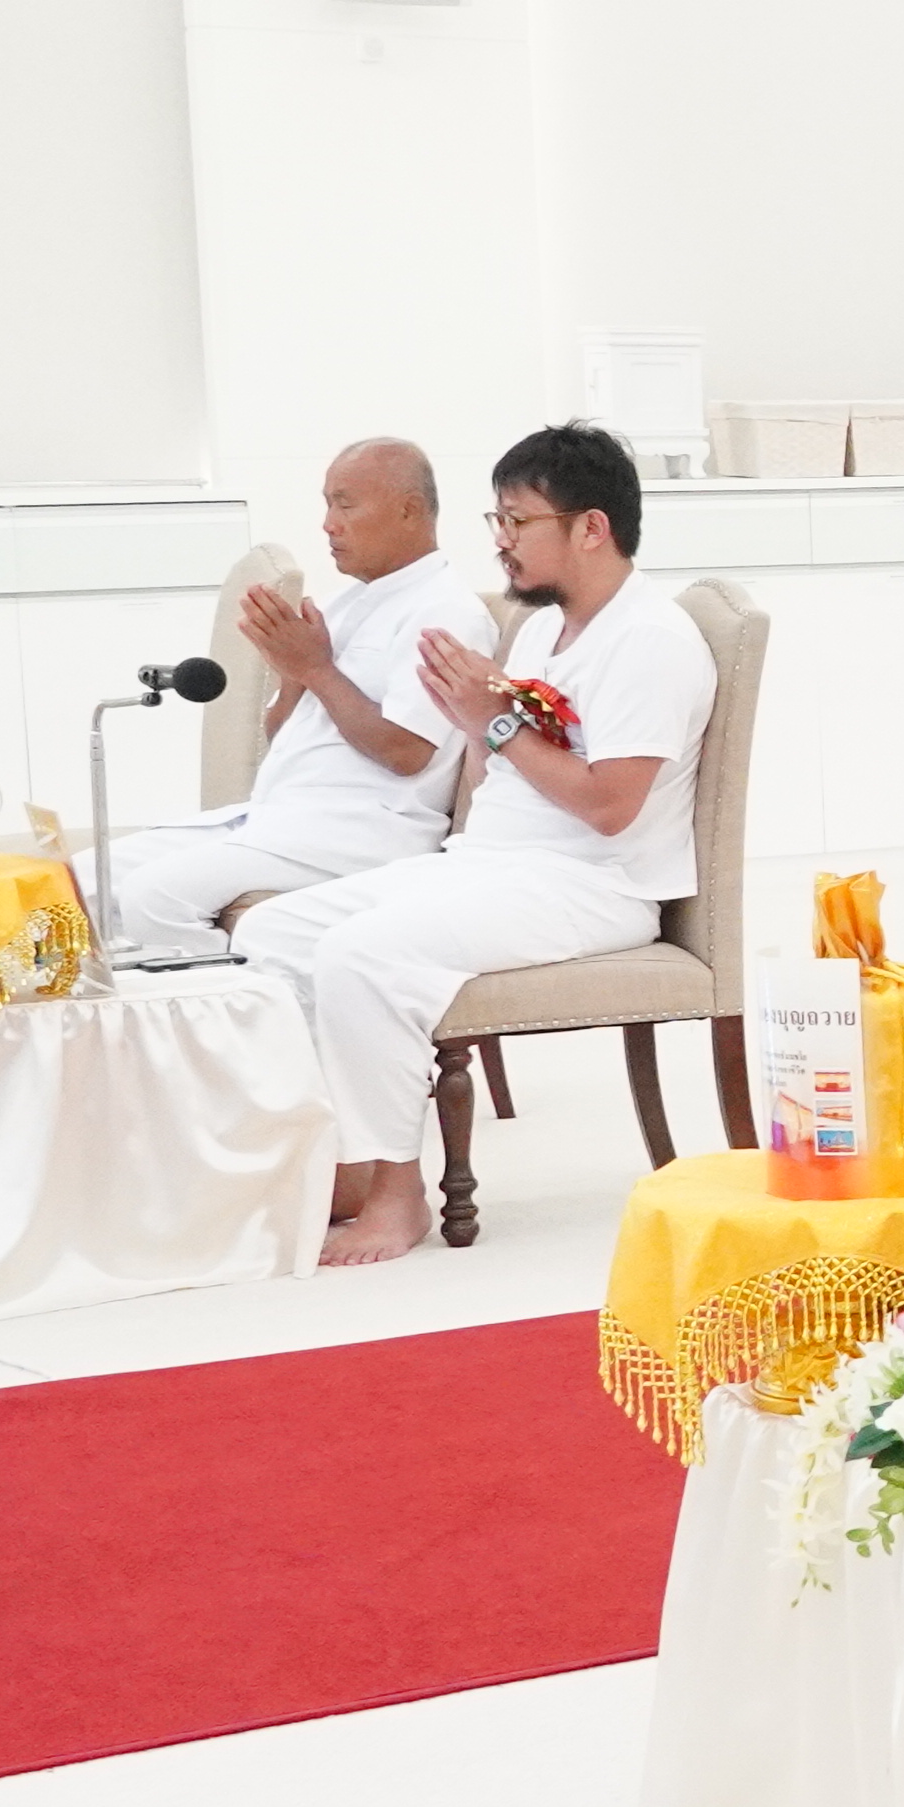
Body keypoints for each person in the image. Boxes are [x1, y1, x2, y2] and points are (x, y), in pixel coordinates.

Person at [238, 425, 718, 1268]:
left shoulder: (651, 640)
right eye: (495, 518)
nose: (498, 540)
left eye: (516, 521)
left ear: (590, 528)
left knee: (361, 954)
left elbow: (611, 806)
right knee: (272, 932)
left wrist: (488, 719)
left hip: (593, 884)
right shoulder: (538, 631)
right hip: (496, 867)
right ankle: (348, 1161)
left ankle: (397, 1192)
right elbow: (497, 767)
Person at [91, 438, 489, 946]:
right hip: (277, 816)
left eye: (345, 504)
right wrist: (293, 673)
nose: (328, 524)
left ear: (409, 510)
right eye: (327, 504)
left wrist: (316, 668)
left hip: (361, 832)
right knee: (80, 883)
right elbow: (280, 734)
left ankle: (249, 1014)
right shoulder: (345, 603)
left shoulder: (445, 611)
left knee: (155, 896)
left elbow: (407, 751)